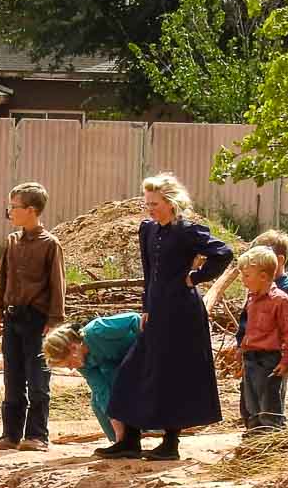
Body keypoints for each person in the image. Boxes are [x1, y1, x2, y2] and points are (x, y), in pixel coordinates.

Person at [100, 173, 233, 461]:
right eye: (147, 203)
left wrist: (195, 277)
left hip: (182, 314)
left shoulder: (187, 230)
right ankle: (130, 441)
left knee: (173, 374)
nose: (150, 208)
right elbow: (149, 274)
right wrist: (146, 307)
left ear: (171, 203)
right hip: (157, 311)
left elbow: (223, 253)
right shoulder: (148, 229)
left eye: (155, 203)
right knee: (131, 372)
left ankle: (170, 444)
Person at [0, 180, 67, 452]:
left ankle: (37, 435)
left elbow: (58, 285)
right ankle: (10, 434)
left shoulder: (50, 245)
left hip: (37, 320)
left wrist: (55, 321)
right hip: (12, 318)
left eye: (14, 207)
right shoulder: (12, 242)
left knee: (37, 379)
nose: (10, 212)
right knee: (12, 377)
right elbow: (4, 278)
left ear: (31, 210)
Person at [44, 314, 139, 442]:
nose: (71, 368)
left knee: (120, 388)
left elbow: (134, 319)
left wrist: (152, 348)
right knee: (97, 402)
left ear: (73, 347)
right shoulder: (82, 363)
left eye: (69, 363)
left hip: (141, 354)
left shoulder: (97, 330)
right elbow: (101, 391)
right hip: (120, 367)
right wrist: (119, 434)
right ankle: (121, 442)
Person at [232, 245, 288, 432]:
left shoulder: (280, 300)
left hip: (270, 359)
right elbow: (248, 328)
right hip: (251, 357)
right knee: (249, 401)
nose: (243, 281)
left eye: (247, 276)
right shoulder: (252, 299)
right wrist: (241, 348)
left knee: (270, 400)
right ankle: (254, 433)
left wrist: (287, 360)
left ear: (263, 276)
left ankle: (271, 437)